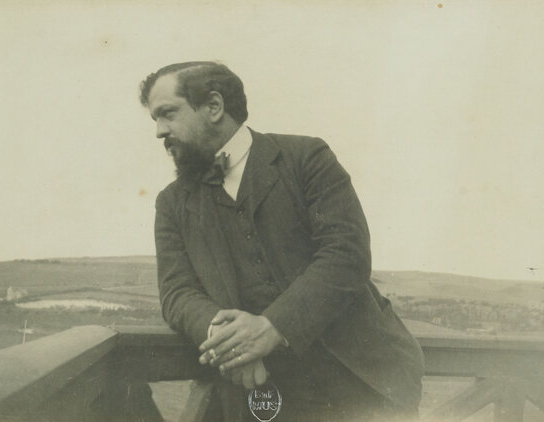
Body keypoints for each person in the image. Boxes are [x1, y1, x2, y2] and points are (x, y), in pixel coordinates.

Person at [140, 61, 424, 422]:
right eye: (155, 119)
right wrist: (233, 343)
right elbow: (177, 292)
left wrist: (273, 327)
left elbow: (346, 254)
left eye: (168, 114)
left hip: (364, 380)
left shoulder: (307, 158)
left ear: (213, 106)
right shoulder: (172, 203)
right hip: (263, 393)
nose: (159, 131)